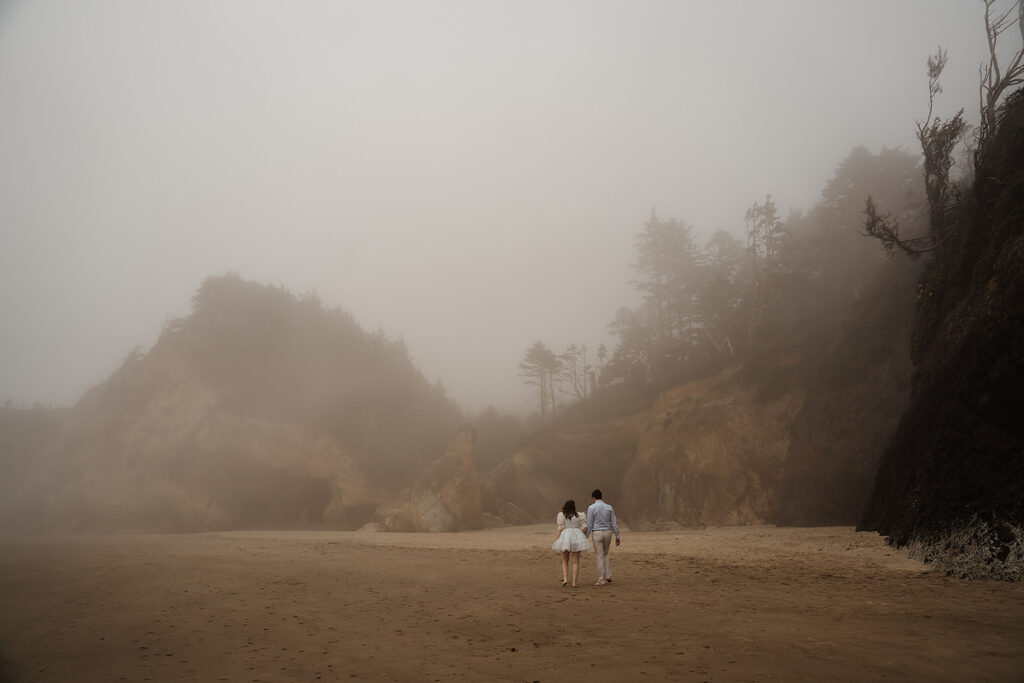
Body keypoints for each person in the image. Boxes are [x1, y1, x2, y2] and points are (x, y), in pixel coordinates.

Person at [585, 489, 621, 586]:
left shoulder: (591, 508)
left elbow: (589, 524)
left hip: (597, 533)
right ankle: (608, 576)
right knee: (606, 554)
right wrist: (617, 536)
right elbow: (614, 523)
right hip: (607, 532)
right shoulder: (609, 507)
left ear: (593, 498)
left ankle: (601, 580)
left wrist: (585, 537)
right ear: (601, 497)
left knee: (599, 556)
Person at [551, 499, 589, 587]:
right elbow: (585, 528)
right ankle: (574, 582)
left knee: (565, 560)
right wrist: (581, 535)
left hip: (565, 537)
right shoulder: (580, 515)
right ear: (573, 506)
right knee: (576, 561)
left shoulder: (562, 515)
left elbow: (560, 529)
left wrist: (557, 540)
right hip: (576, 536)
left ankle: (565, 579)